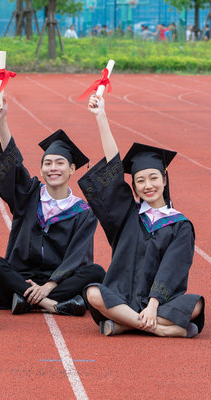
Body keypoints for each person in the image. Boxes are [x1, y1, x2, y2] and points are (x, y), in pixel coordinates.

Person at [80, 95, 205, 337]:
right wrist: (101, 117)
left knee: (197, 304)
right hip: (122, 296)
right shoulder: (128, 214)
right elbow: (114, 169)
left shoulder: (180, 225)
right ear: (134, 187)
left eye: (153, 178)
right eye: (140, 180)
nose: (148, 185)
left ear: (164, 179)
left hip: (160, 303)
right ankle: (162, 330)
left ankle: (124, 324)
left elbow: (173, 268)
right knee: (93, 293)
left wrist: (153, 303)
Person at [0, 96, 105, 316]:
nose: (53, 168)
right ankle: (51, 305)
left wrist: (50, 284)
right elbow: (13, 164)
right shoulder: (29, 195)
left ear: (71, 169)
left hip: (58, 280)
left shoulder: (83, 212)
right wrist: (1, 121)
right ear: (41, 170)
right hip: (22, 274)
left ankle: (25, 298)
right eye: (47, 163)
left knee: (96, 272)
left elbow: (78, 255)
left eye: (60, 163)